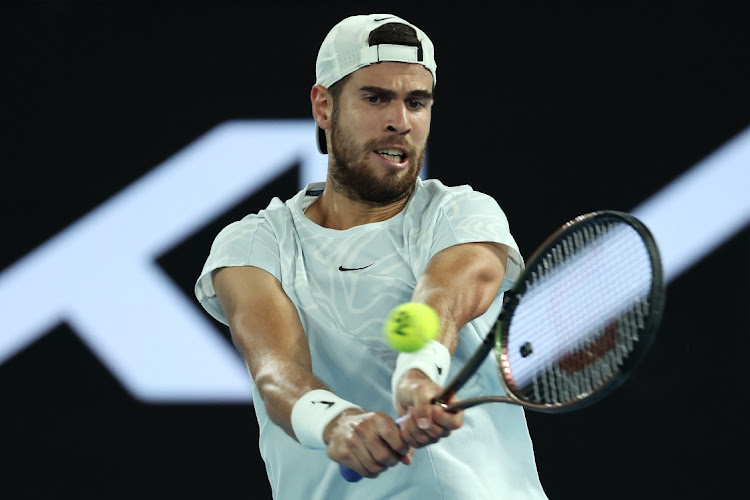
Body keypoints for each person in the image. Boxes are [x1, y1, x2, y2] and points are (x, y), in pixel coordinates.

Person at [195, 13, 548, 500]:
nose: (399, 122)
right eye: (375, 97)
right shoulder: (254, 244)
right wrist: (336, 423)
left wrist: (418, 372)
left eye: (416, 102)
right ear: (323, 106)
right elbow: (276, 372)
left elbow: (444, 296)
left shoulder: (462, 212)